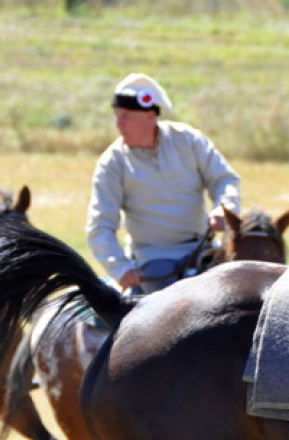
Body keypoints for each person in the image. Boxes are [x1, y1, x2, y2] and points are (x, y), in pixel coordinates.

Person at [86, 73, 242, 295]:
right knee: (173, 314)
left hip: (205, 250)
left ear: (150, 116)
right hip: (153, 258)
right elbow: (99, 226)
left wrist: (224, 209)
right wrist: (121, 269)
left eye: (126, 117)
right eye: (117, 116)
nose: (119, 125)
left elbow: (225, 179)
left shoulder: (188, 140)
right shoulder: (113, 162)